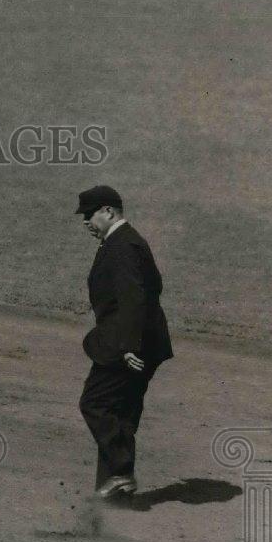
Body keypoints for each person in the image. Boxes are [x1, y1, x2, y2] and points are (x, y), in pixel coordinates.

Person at [75, 185, 173, 501]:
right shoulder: (126, 242)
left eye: (89, 215)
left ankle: (120, 471)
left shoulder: (123, 246)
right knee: (121, 412)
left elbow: (134, 297)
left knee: (96, 402)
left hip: (128, 343)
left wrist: (129, 345)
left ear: (109, 211)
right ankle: (115, 495)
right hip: (144, 340)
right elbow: (154, 286)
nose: (86, 222)